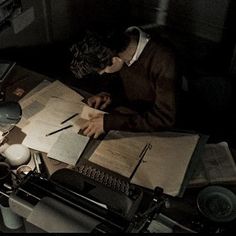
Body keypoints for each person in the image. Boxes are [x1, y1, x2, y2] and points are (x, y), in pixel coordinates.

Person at [70, 26, 178, 138]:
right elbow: (123, 80)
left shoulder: (164, 60)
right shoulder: (118, 43)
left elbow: (164, 118)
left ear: (115, 60)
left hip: (159, 125)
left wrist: (110, 123)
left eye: (103, 70)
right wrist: (108, 94)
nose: (102, 73)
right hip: (133, 113)